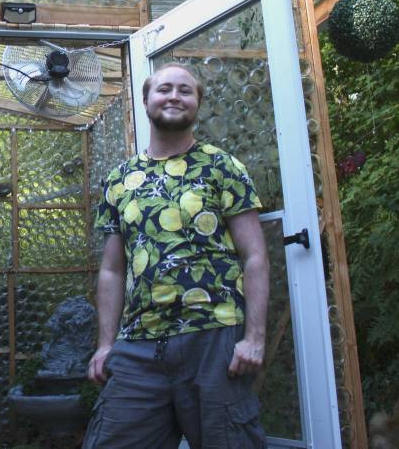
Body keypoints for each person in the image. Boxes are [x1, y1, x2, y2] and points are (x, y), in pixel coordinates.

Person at [83, 63, 268, 449]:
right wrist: (105, 344)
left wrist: (254, 337)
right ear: (147, 99)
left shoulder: (222, 166)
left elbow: (255, 256)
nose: (174, 96)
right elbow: (112, 271)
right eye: (164, 89)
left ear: (197, 102)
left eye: (185, 91)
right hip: (140, 344)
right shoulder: (120, 179)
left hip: (214, 337)